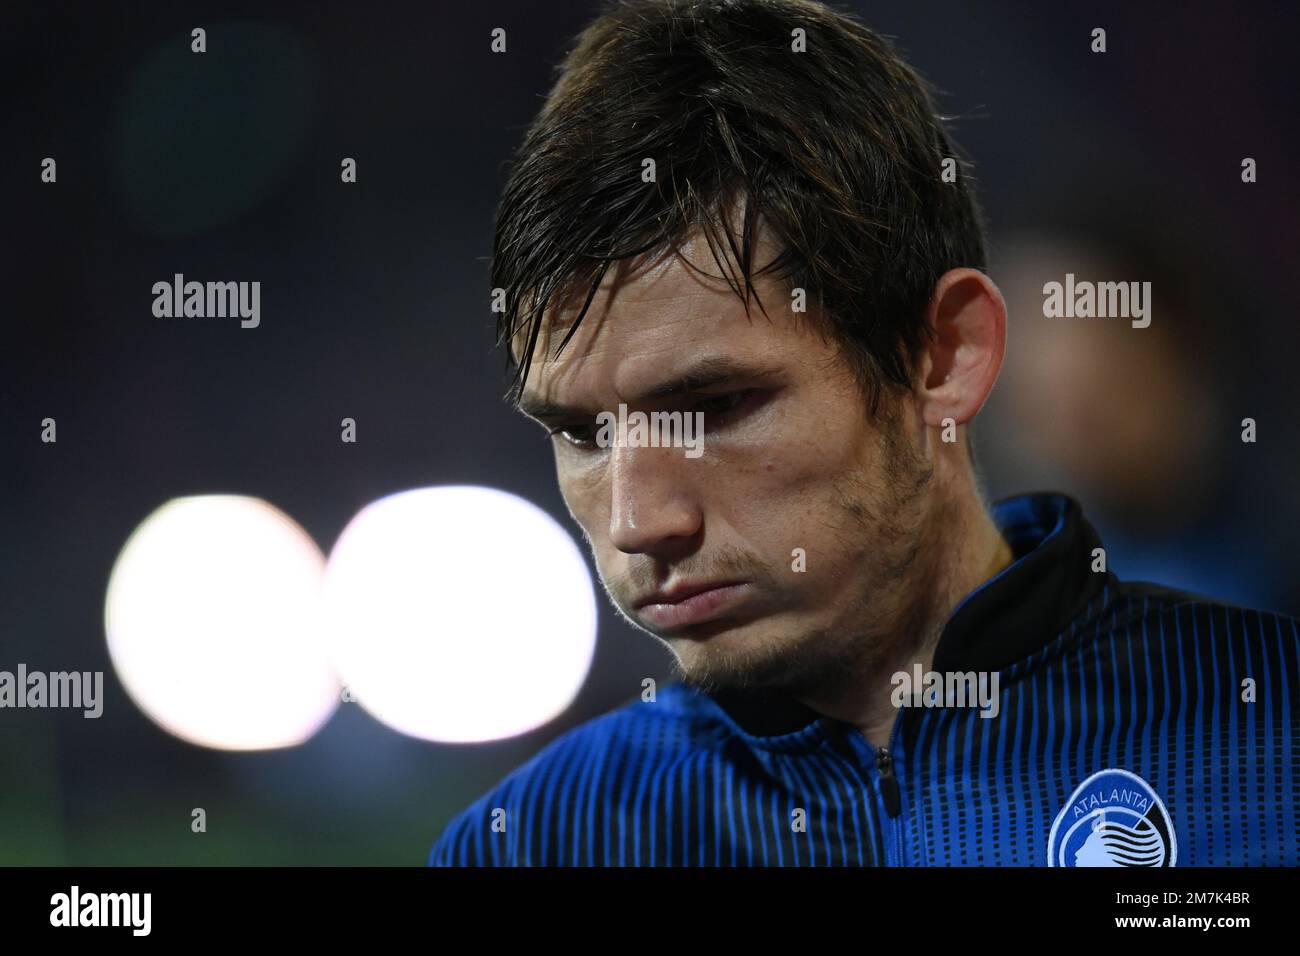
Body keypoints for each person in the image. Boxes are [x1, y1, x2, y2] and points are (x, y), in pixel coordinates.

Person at [429, 0, 1298, 866]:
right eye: (581, 432)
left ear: (944, 356)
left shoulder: (1270, 741)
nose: (635, 522)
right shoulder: (528, 844)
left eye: (717, 407)